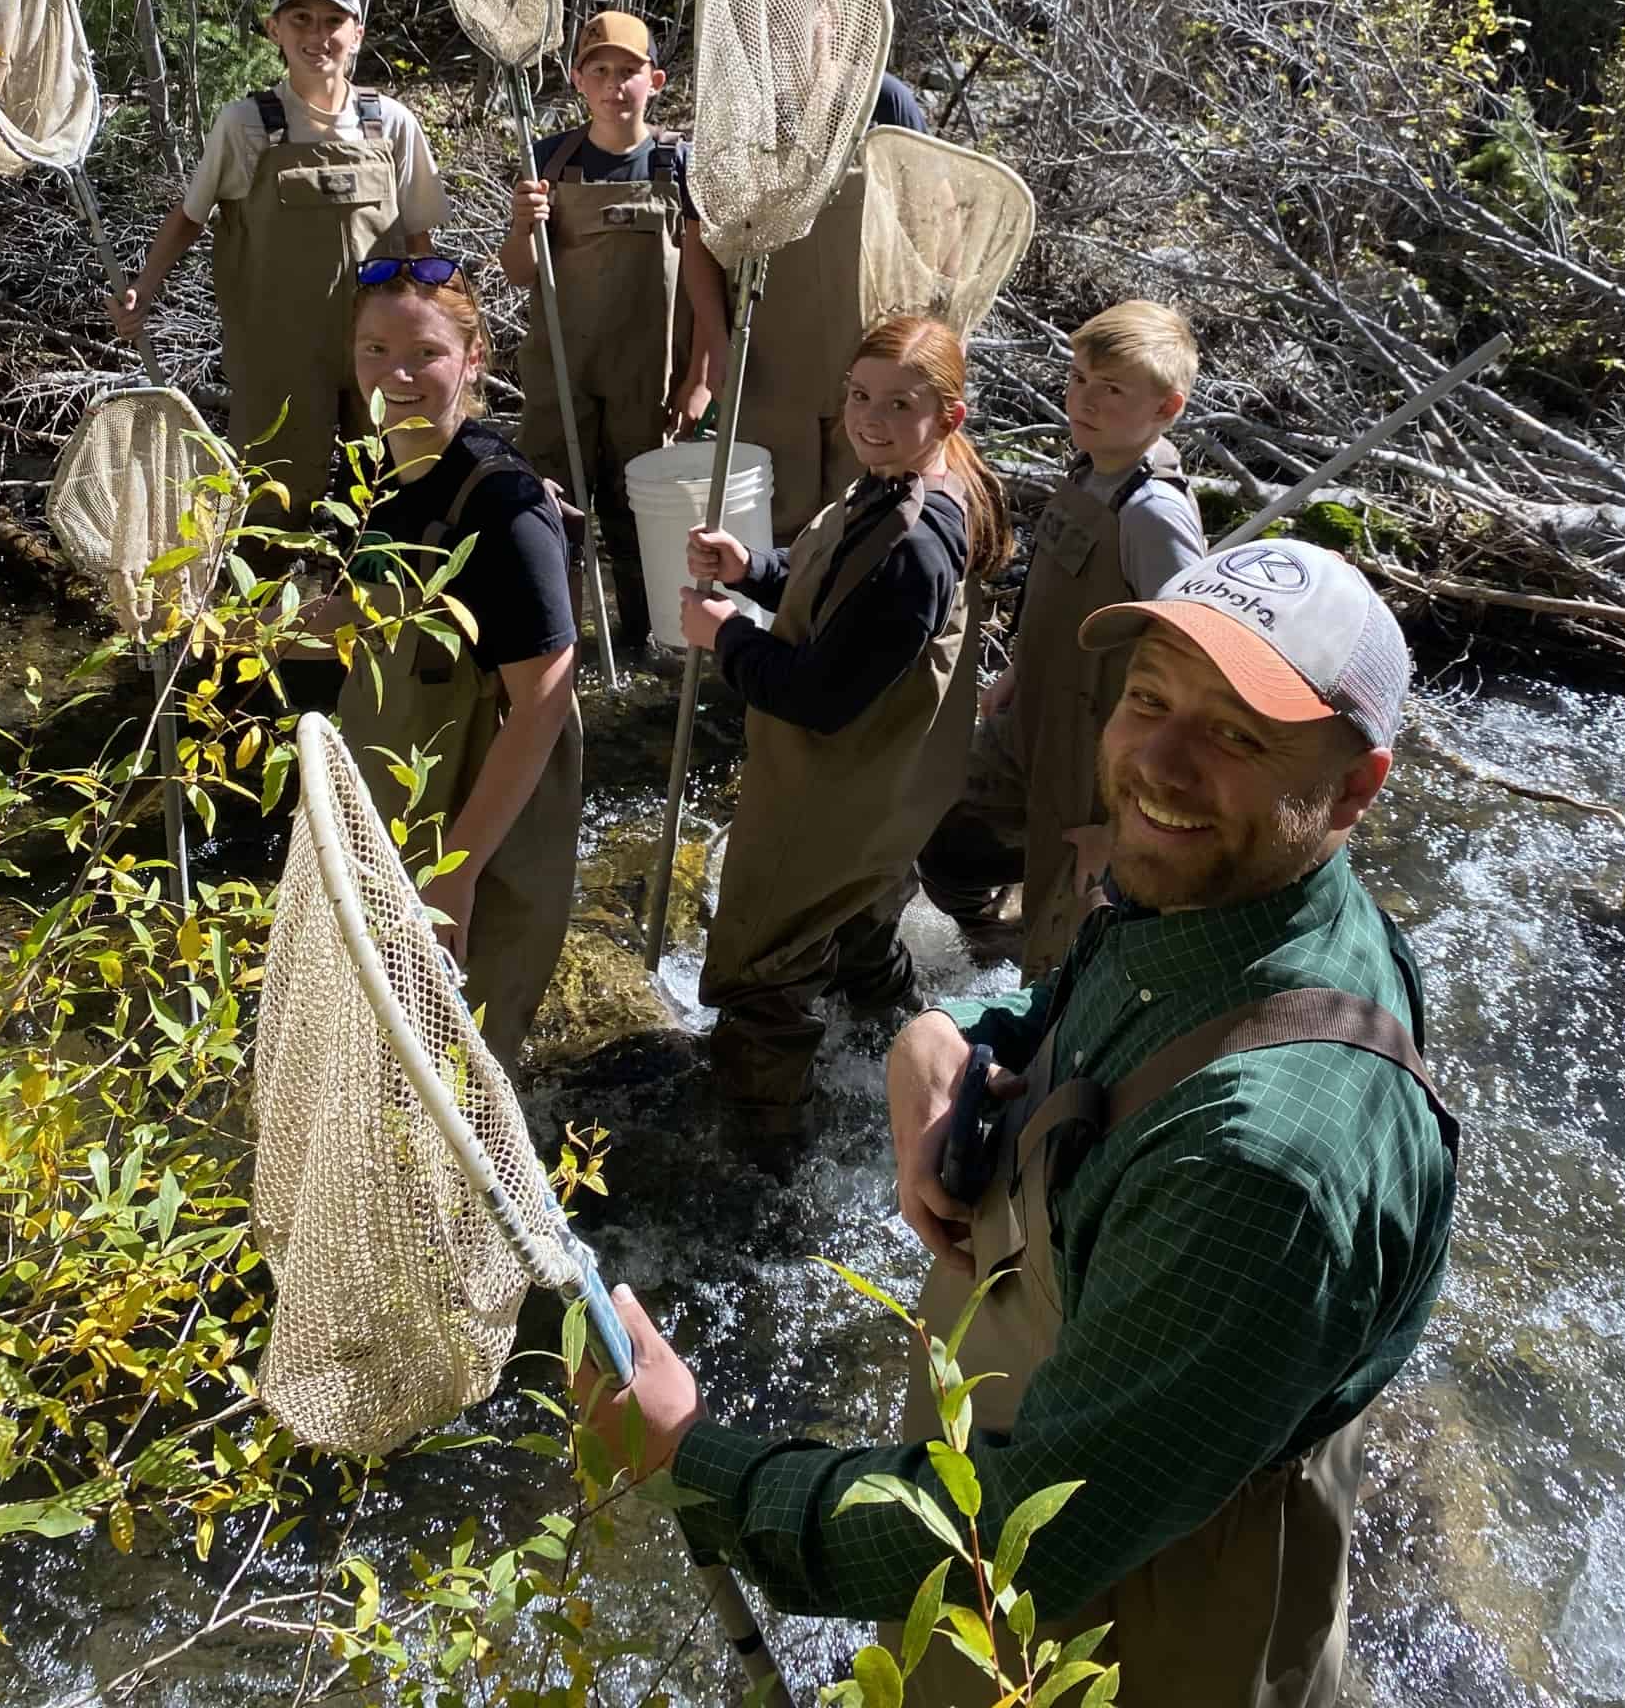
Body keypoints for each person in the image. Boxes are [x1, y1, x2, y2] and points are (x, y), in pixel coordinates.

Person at [580, 540, 1459, 1708]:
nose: (1158, 761)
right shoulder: (1230, 900)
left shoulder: (1264, 1164)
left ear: (1356, 789)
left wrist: (696, 1462)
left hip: (1110, 1649)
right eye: (1148, 697)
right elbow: (1079, 995)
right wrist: (955, 1036)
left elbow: (1014, 1545)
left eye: (1238, 734)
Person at [678, 313, 1008, 1134]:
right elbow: (839, 586)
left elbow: (818, 698)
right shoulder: (900, 488)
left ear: (949, 417)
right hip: (894, 795)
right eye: (860, 395)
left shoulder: (916, 542)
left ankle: (763, 1157)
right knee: (860, 922)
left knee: (763, 968)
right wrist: (755, 569)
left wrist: (726, 635)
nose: (871, 419)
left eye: (901, 404)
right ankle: (901, 1047)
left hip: (837, 793)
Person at [335, 255, 582, 1063]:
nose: (396, 375)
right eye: (376, 351)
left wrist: (453, 876)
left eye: (425, 354)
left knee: (460, 1061)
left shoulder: (506, 513)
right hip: (399, 792)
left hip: (480, 826)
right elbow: (368, 611)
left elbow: (542, 704)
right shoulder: (375, 469)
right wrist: (232, 629)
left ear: (472, 360)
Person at [109, 0, 449, 530]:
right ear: (275, 31)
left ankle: (371, 615)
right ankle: (260, 618)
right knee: (272, 507)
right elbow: (190, 217)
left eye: (332, 22)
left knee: (387, 501)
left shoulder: (389, 124)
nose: (318, 36)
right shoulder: (246, 124)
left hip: (381, 351)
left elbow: (419, 240)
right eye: (301, 21)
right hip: (277, 353)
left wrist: (436, 337)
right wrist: (141, 290)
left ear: (357, 33)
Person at [920, 299, 1205, 976]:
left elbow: (1193, 669)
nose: (1085, 400)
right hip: (1033, 718)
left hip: (1097, 764)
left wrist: (1124, 826)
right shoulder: (1088, 470)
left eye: (1112, 390)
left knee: (1062, 945)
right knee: (943, 836)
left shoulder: (1154, 513)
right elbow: (1054, 596)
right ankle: (994, 938)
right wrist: (1017, 673)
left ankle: (1036, 1009)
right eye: (1079, 379)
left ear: (1167, 409)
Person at [497, 8, 728, 652]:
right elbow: (518, 274)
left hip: (647, 383)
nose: (613, 84)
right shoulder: (549, 159)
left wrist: (700, 380)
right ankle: (557, 645)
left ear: (653, 80)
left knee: (640, 522)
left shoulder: (680, 165)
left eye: (628, 71)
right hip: (561, 379)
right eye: (599, 70)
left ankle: (646, 643)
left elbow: (708, 287)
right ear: (577, 80)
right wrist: (524, 225)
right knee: (555, 514)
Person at [738, 65, 932, 542]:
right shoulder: (743, 105)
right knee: (778, 521)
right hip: (771, 352)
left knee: (871, 512)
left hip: (870, 342)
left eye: (809, 15)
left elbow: (930, 214)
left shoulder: (884, 100)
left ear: (836, 18)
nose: (793, 36)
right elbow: (706, 232)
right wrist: (711, 343)